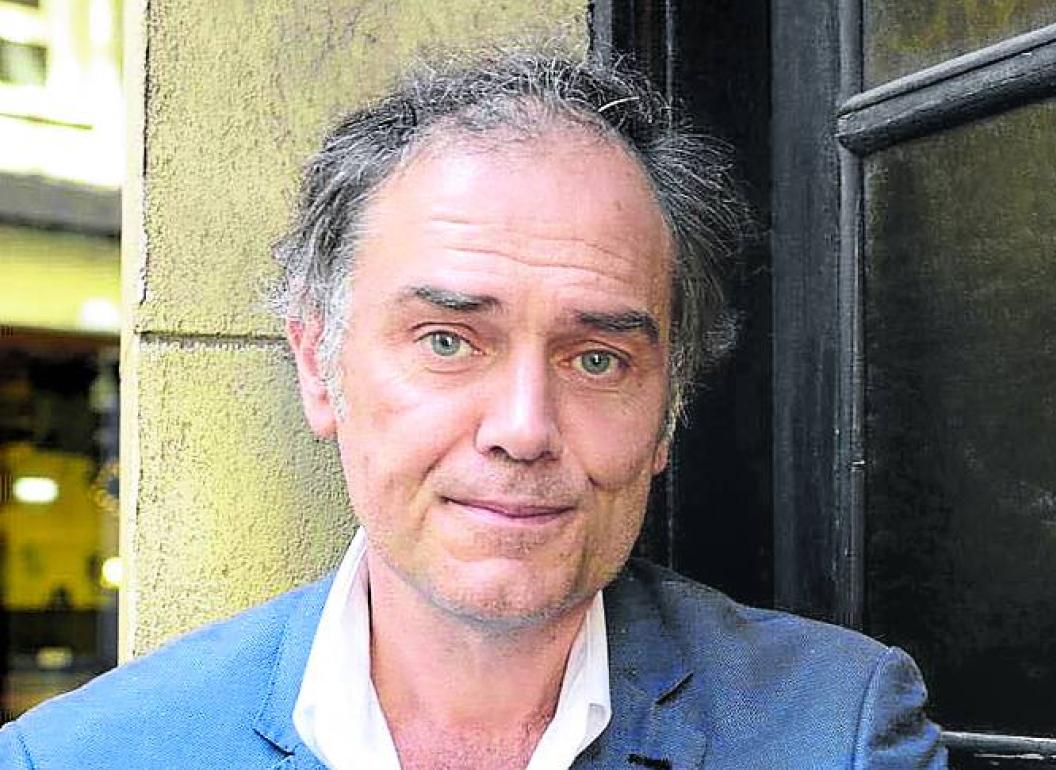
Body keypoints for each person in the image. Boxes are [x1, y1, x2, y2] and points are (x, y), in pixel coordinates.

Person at [0, 52, 946, 769]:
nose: (524, 429)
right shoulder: (85, 755)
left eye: (598, 358)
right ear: (319, 369)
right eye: (448, 342)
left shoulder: (833, 730)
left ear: (669, 410)